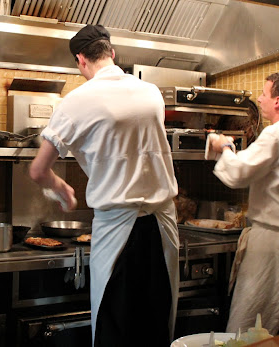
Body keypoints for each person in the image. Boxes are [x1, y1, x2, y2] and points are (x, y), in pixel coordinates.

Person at [29, 25, 180, 346]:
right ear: (112, 53)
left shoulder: (77, 101)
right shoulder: (151, 91)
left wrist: (62, 188)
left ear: (81, 60)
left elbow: (39, 170)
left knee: (116, 326)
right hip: (163, 226)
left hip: (117, 230)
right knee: (157, 322)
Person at [207, 72, 279, 335]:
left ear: (278, 101)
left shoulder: (276, 135)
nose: (259, 99)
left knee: (252, 326)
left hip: (273, 247)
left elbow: (238, 173)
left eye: (264, 94)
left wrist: (224, 146)